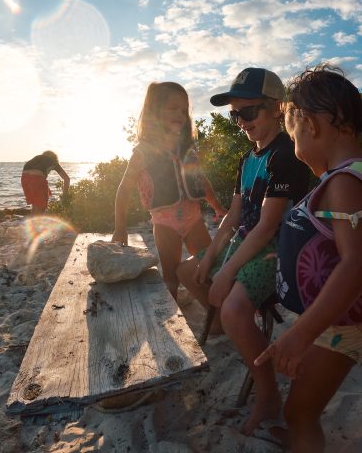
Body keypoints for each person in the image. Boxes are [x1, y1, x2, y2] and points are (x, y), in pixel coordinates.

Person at [176, 67, 310, 435]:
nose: (241, 122)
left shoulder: (286, 155)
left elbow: (268, 226)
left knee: (235, 309)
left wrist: (226, 271)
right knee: (188, 270)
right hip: (245, 242)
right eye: (235, 114)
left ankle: (268, 397)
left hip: (276, 251)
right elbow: (233, 217)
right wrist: (211, 255)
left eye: (248, 113)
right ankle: (223, 320)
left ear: (276, 109)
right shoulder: (247, 158)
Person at [255, 64, 362, 452]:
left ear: (311, 125)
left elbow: (355, 264)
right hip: (333, 322)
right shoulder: (344, 177)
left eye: (292, 128)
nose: (293, 140)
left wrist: (300, 335)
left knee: (301, 412)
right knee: (301, 407)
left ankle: (302, 436)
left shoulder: (345, 182)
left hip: (339, 328)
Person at [112, 81, 227, 301]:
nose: (180, 114)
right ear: (155, 112)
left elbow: (200, 181)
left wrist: (218, 207)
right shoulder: (143, 152)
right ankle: (174, 313)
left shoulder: (187, 149)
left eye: (184, 110)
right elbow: (124, 190)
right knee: (171, 275)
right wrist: (120, 228)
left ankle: (214, 309)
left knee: (209, 264)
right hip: (165, 223)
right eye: (173, 108)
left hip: (194, 218)